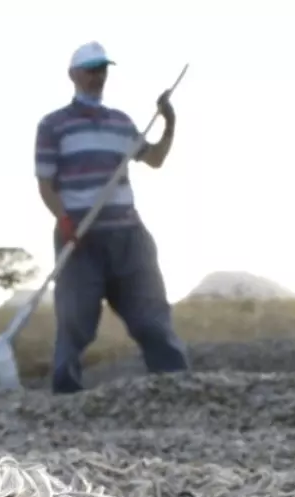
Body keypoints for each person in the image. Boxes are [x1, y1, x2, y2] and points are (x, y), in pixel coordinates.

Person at [34, 42, 190, 395]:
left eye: (103, 69)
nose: (98, 77)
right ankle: (65, 398)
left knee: (152, 320)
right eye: (91, 70)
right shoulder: (54, 125)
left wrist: (169, 123)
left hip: (128, 236)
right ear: (73, 74)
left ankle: (180, 391)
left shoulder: (121, 123)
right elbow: (45, 184)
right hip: (80, 237)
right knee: (75, 324)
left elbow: (155, 159)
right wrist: (65, 220)